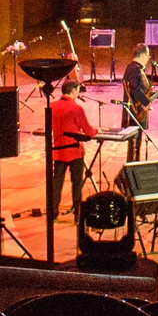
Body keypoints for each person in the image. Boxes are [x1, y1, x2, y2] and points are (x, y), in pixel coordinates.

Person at [48, 78, 96, 224]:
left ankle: (53, 214)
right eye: (77, 90)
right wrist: (95, 131)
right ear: (73, 91)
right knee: (76, 183)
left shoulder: (51, 106)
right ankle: (77, 216)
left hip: (58, 151)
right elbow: (88, 131)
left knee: (57, 183)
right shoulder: (76, 108)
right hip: (74, 151)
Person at [122, 44, 155, 161]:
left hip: (137, 112)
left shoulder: (135, 68)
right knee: (134, 143)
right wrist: (146, 103)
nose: (148, 59)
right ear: (143, 55)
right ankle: (132, 169)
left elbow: (141, 88)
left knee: (137, 142)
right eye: (148, 56)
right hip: (134, 113)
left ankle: (135, 164)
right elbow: (135, 89)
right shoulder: (134, 69)